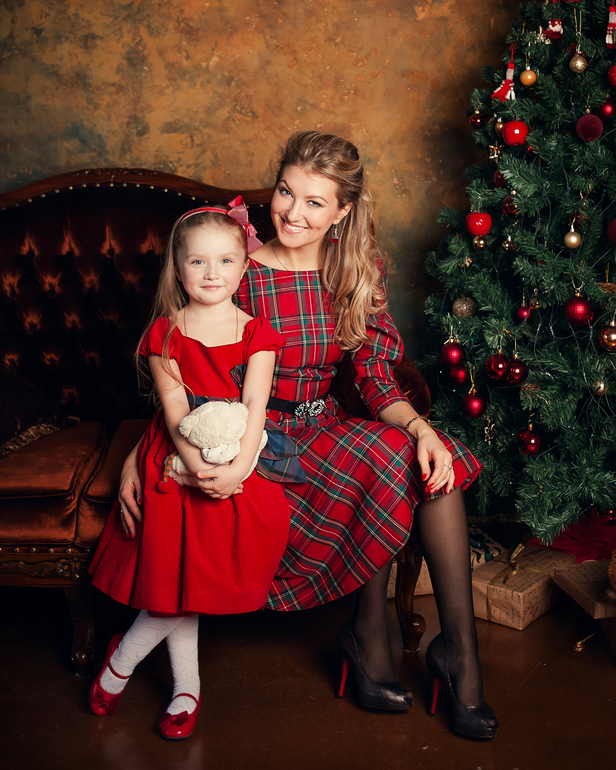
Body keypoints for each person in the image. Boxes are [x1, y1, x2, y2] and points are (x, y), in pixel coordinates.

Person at [118, 131, 498, 739]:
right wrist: (138, 454)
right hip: (255, 441)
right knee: (386, 461)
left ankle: (460, 657)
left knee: (428, 458)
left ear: (343, 212)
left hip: (324, 426)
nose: (292, 212)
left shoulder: (356, 272)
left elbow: (376, 377)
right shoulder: (237, 269)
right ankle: (369, 636)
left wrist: (422, 429)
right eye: (285, 192)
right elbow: (184, 374)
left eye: (315, 202)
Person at [87, 200, 293, 740]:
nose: (212, 273)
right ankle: (176, 685)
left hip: (238, 453)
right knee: (175, 577)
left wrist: (238, 468)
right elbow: (176, 409)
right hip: (177, 453)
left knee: (199, 573)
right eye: (198, 262)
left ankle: (129, 660)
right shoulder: (165, 333)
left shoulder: (257, 333)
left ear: (243, 268)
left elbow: (256, 406)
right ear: (178, 269)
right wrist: (198, 468)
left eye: (226, 261)